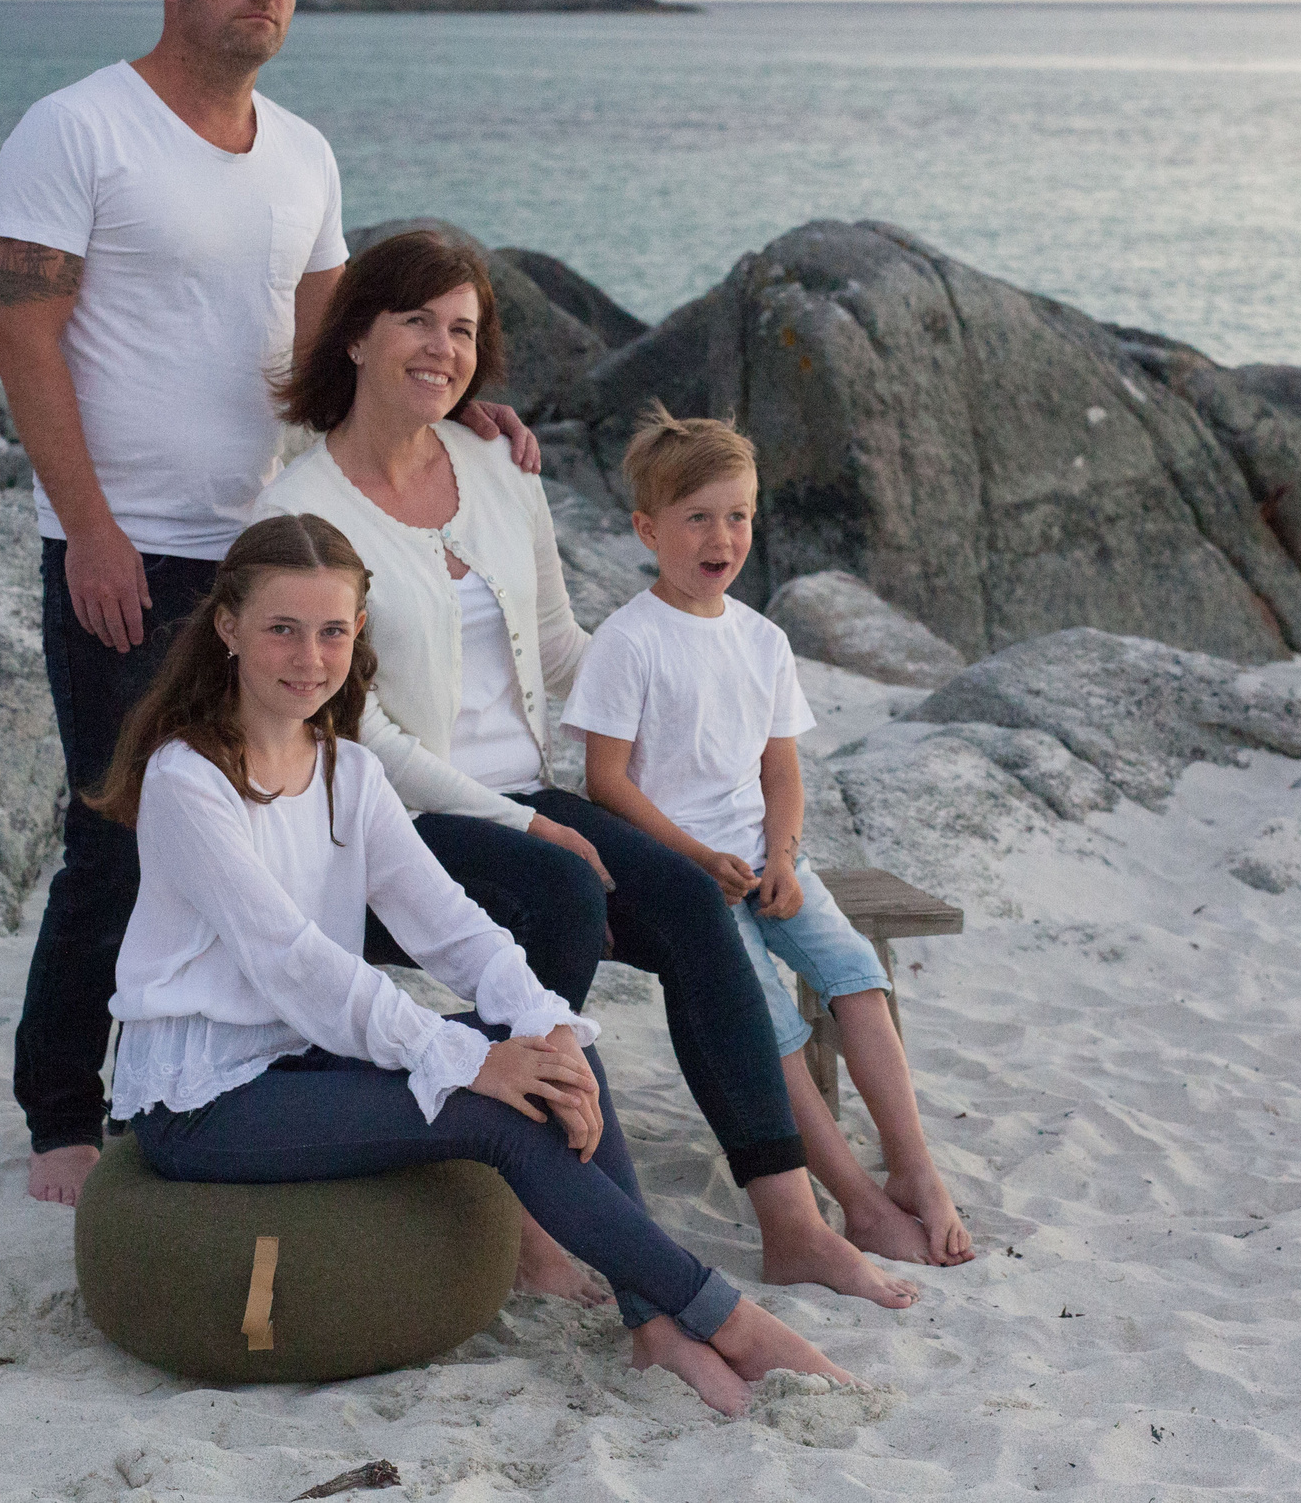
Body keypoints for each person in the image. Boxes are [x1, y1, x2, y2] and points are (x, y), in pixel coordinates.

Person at [0, 0, 537, 1206]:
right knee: (119, 831)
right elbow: (25, 334)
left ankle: (269, 1060)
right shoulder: (77, 129)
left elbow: (332, 349)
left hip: (268, 555)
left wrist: (453, 405)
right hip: (128, 549)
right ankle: (63, 1107)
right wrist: (92, 533)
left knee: (300, 822)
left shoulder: (304, 154)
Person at [251, 229, 920, 1309]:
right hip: (389, 824)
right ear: (358, 335)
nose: (442, 346)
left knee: (690, 899)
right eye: (418, 320)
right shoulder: (303, 508)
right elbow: (357, 728)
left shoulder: (498, 469)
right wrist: (526, 825)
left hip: (533, 799)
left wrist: (683, 713)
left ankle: (790, 1219)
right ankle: (542, 1198)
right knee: (558, 886)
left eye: (463, 329)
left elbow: (567, 649)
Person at [91, 511, 856, 1415]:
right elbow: (294, 965)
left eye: (332, 630)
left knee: (561, 1053)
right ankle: (725, 1319)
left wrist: (541, 1024)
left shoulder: (348, 769)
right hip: (206, 1094)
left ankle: (654, 1327)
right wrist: (470, 1060)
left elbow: (450, 924)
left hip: (300, 1054)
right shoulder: (190, 780)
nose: (309, 657)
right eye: (282, 630)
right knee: (496, 1110)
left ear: (357, 634)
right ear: (228, 629)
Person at [564, 409, 973, 1266]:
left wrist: (782, 855)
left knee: (856, 978)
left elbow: (781, 772)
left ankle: (914, 1171)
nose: (722, 537)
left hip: (768, 859)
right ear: (648, 530)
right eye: (698, 517)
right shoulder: (628, 641)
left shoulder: (763, 640)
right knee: (768, 1024)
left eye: (739, 515)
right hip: (680, 870)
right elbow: (604, 783)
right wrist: (692, 856)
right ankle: (855, 1203)